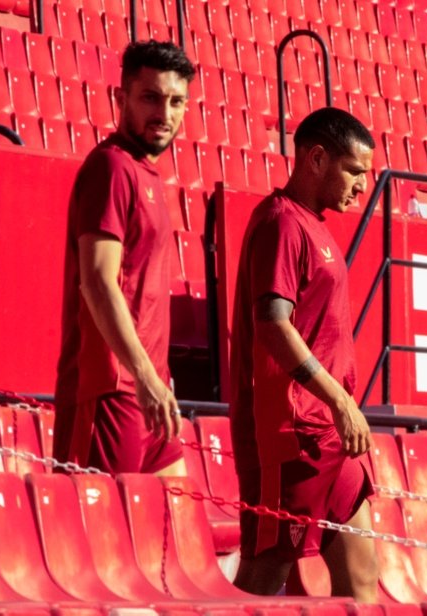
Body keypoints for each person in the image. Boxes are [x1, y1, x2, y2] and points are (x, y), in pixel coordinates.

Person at [229, 107, 378, 602]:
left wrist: (339, 410)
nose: (363, 185)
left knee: (361, 581)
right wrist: (338, 399)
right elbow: (272, 323)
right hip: (290, 435)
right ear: (317, 158)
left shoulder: (314, 225)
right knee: (263, 580)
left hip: (332, 435)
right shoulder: (281, 221)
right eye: (355, 170)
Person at [53, 40, 195, 476]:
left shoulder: (145, 173)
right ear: (121, 98)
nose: (164, 114)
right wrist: (145, 377)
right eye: (150, 97)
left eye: (176, 101)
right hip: (110, 388)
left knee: (180, 538)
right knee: (112, 540)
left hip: (149, 393)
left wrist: (156, 380)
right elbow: (97, 281)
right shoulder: (110, 168)